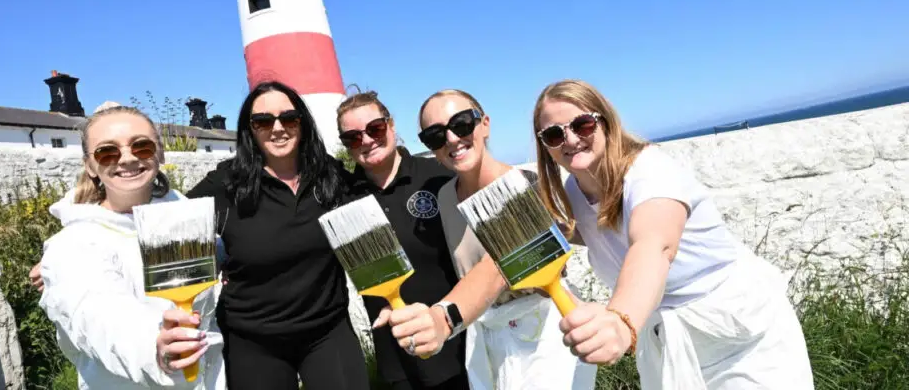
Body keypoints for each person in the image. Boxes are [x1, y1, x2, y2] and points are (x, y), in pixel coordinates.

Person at [531, 79, 814, 388]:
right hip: (670, 350)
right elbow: (597, 232)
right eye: (554, 134)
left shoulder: (650, 172)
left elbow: (654, 245)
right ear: (545, 145)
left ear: (606, 122)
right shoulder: (575, 193)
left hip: (741, 340)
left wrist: (621, 320)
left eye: (582, 125)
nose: (570, 139)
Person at [382, 89, 597, 390]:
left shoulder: (526, 186)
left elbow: (497, 268)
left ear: (484, 124)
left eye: (461, 124)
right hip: (485, 336)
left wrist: (444, 318)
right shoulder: (445, 197)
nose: (452, 140)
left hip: (543, 335)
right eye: (435, 136)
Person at [185, 80, 371, 390]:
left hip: (328, 330)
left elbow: (380, 197)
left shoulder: (331, 175)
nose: (278, 128)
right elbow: (168, 222)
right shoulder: (226, 184)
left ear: (302, 122)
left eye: (289, 118)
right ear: (249, 129)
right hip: (253, 339)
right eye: (263, 121)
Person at [37, 104, 226, 389]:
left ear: (159, 153)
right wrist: (154, 346)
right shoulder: (73, 245)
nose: (126, 158)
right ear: (90, 165)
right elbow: (98, 314)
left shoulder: (185, 219)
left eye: (141, 146)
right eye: (107, 152)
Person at [336, 90, 470, 390]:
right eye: (353, 138)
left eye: (375, 129)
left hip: (458, 343)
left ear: (391, 125)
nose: (367, 140)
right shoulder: (342, 198)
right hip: (397, 359)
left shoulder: (439, 175)